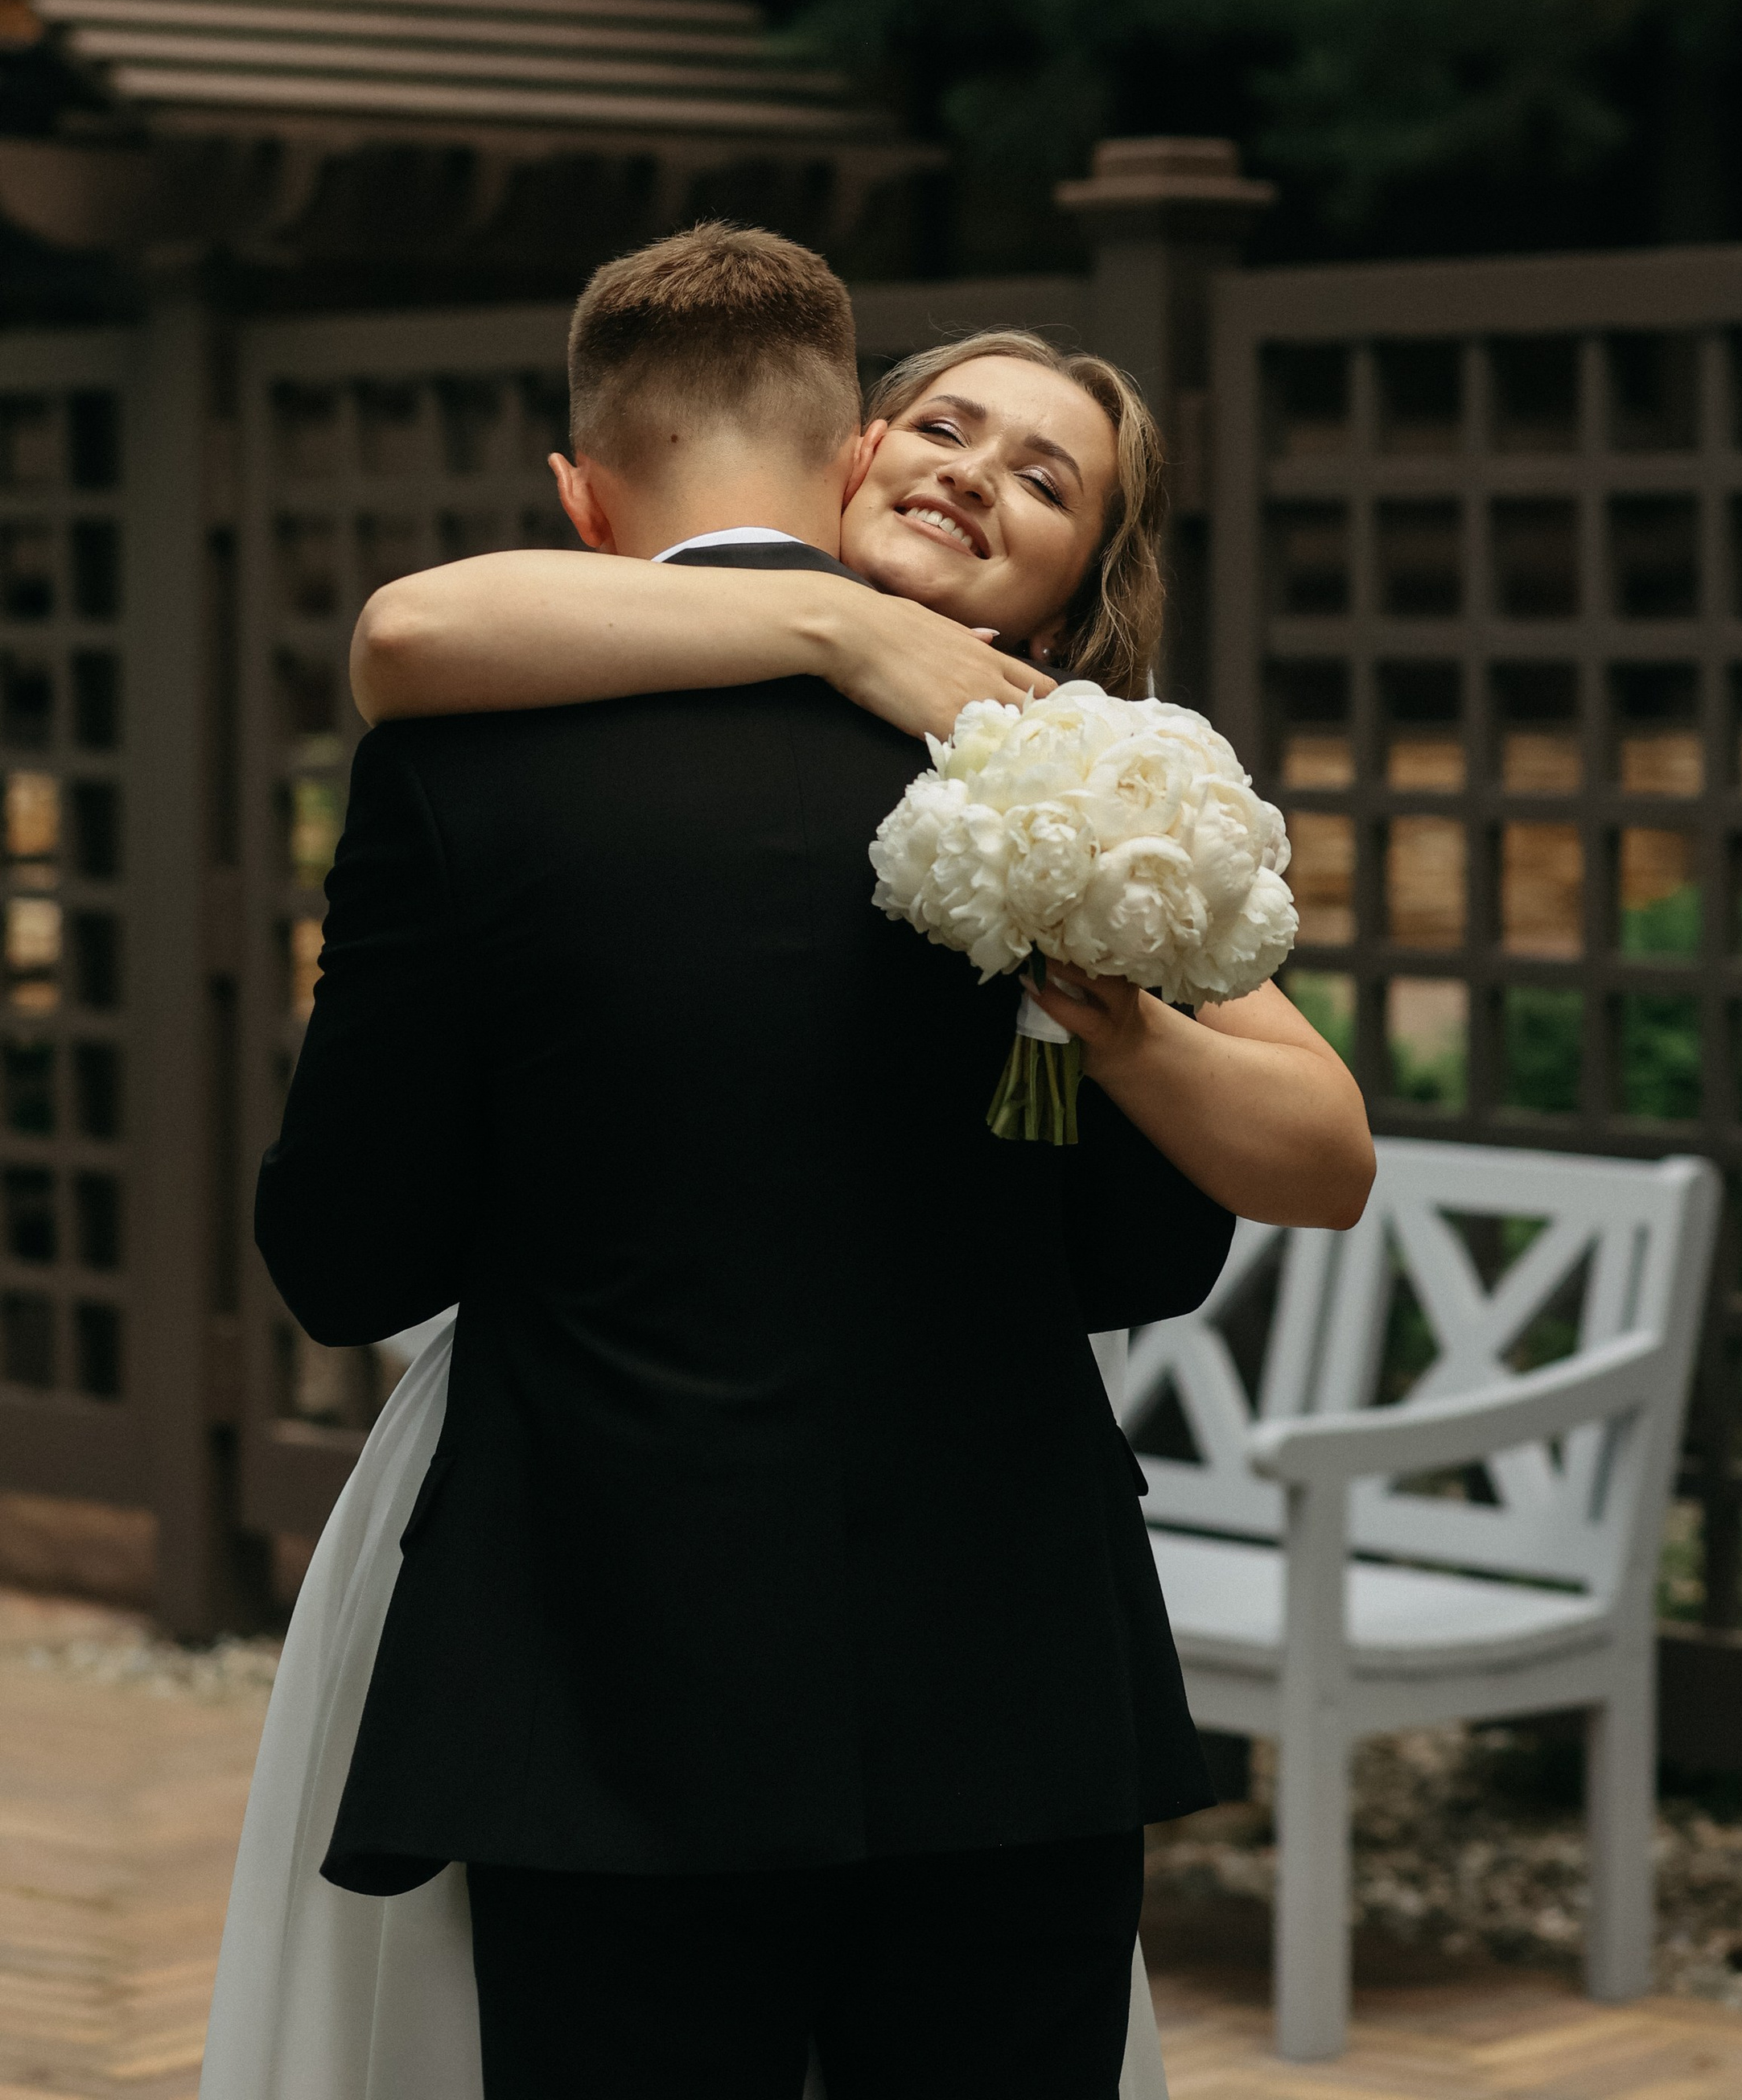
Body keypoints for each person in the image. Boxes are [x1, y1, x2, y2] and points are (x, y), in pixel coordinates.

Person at [231, 228, 1372, 2100]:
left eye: (1044, 477)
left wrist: (1114, 1013)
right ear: (848, 451)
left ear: (1092, 566)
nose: (969, 479)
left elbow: (347, 1258)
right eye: (944, 426)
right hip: (1004, 1677)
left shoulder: (1091, 797)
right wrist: (843, 628)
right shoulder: (569, 670)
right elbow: (1139, 1266)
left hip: (611, 1657)